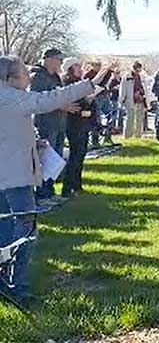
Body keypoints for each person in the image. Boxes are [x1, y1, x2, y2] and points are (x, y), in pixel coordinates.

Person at [0, 55, 94, 305]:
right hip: (12, 180)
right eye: (23, 72)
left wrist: (34, 141)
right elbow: (48, 100)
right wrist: (87, 84)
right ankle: (16, 288)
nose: (28, 77)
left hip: (7, 176)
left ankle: (6, 283)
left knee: (6, 231)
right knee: (25, 232)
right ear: (10, 78)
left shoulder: (8, 97)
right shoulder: (9, 97)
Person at [29, 48, 67, 202]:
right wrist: (61, 105)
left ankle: (50, 191)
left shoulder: (56, 77)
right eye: (59, 59)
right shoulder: (38, 76)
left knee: (55, 160)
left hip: (59, 124)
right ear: (49, 59)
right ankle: (42, 193)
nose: (61, 63)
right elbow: (38, 100)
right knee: (45, 161)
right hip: (45, 124)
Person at [60, 58, 93, 197]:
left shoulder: (79, 83)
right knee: (75, 155)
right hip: (73, 123)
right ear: (69, 69)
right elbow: (73, 105)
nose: (80, 68)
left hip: (83, 123)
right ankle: (67, 188)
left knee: (81, 154)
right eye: (77, 66)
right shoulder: (68, 84)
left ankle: (77, 185)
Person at [118, 62, 147, 139]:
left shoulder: (142, 77)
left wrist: (141, 93)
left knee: (139, 119)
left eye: (139, 70)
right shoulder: (127, 77)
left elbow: (145, 88)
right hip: (130, 100)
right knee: (129, 119)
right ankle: (127, 136)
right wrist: (121, 100)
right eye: (137, 70)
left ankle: (138, 136)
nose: (138, 72)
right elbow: (122, 89)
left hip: (140, 100)